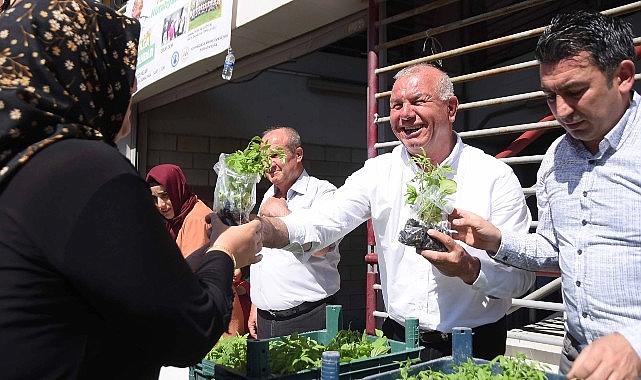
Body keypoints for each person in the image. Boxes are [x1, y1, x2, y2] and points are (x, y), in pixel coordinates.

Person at [0, 2, 261, 379]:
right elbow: (187, 330)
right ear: (83, 74)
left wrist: (209, 251)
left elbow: (140, 285)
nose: (132, 86)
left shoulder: (23, 167)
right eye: (121, 70)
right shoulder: (81, 168)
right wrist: (226, 252)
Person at [259, 64, 535, 361]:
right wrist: (268, 230)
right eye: (396, 105)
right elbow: (327, 219)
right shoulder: (379, 173)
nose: (405, 114)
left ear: (451, 108)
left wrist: (470, 269)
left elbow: (521, 277)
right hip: (400, 341)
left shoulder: (493, 176)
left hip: (474, 344)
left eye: (418, 101)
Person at [447, 10, 641, 379]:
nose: (562, 111)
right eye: (550, 96)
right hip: (578, 356)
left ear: (623, 76)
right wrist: (497, 240)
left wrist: (635, 340)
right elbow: (555, 248)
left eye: (575, 91)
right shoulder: (557, 156)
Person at [247, 127, 341, 339]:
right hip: (265, 317)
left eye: (275, 155)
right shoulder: (268, 196)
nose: (268, 164)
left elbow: (323, 248)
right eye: (264, 158)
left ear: (298, 155)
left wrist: (285, 215)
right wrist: (257, 301)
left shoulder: (323, 192)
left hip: (308, 316)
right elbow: (266, 257)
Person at [146, 164, 213, 257]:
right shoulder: (177, 218)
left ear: (176, 191)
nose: (160, 205)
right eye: (154, 198)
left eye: (165, 196)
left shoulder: (196, 219)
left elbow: (191, 267)